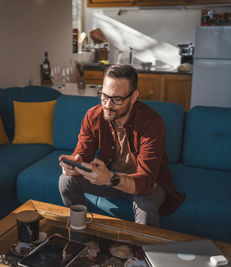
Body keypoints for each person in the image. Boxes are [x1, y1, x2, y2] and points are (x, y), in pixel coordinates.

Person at [58, 64, 185, 227]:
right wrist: (74, 164)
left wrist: (109, 178)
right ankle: (86, 232)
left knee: (145, 206)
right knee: (66, 180)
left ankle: (141, 252)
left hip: (145, 184)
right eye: (104, 96)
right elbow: (82, 154)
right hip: (110, 177)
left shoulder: (151, 123)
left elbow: (146, 181)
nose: (108, 105)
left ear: (134, 97)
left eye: (117, 99)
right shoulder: (93, 115)